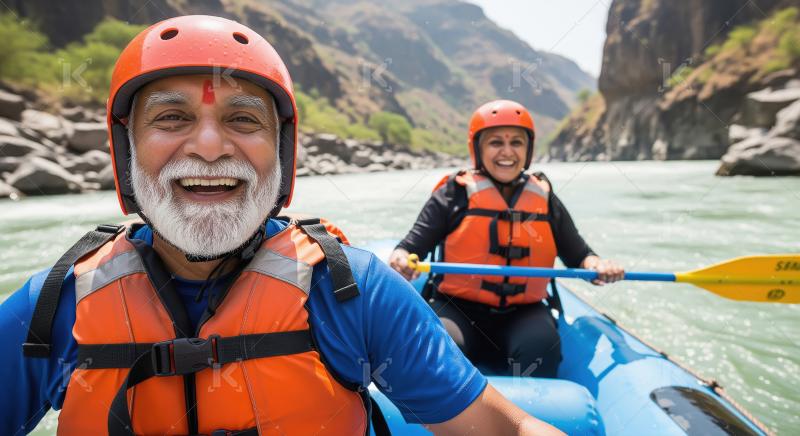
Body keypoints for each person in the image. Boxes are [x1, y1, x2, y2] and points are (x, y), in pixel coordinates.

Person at [0, 17, 563, 435]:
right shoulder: (56, 304)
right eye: (171, 118)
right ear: (126, 151)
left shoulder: (352, 293)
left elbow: (507, 429)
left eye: (242, 119)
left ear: (282, 152)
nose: (210, 146)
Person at [389, 100, 624, 378]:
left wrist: (598, 266)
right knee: (443, 351)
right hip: (459, 310)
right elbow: (410, 247)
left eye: (516, 142)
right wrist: (401, 258)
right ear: (477, 148)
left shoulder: (544, 198)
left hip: (524, 312)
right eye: (495, 142)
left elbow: (580, 255)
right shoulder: (454, 194)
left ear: (528, 150)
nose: (507, 152)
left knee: (540, 348)